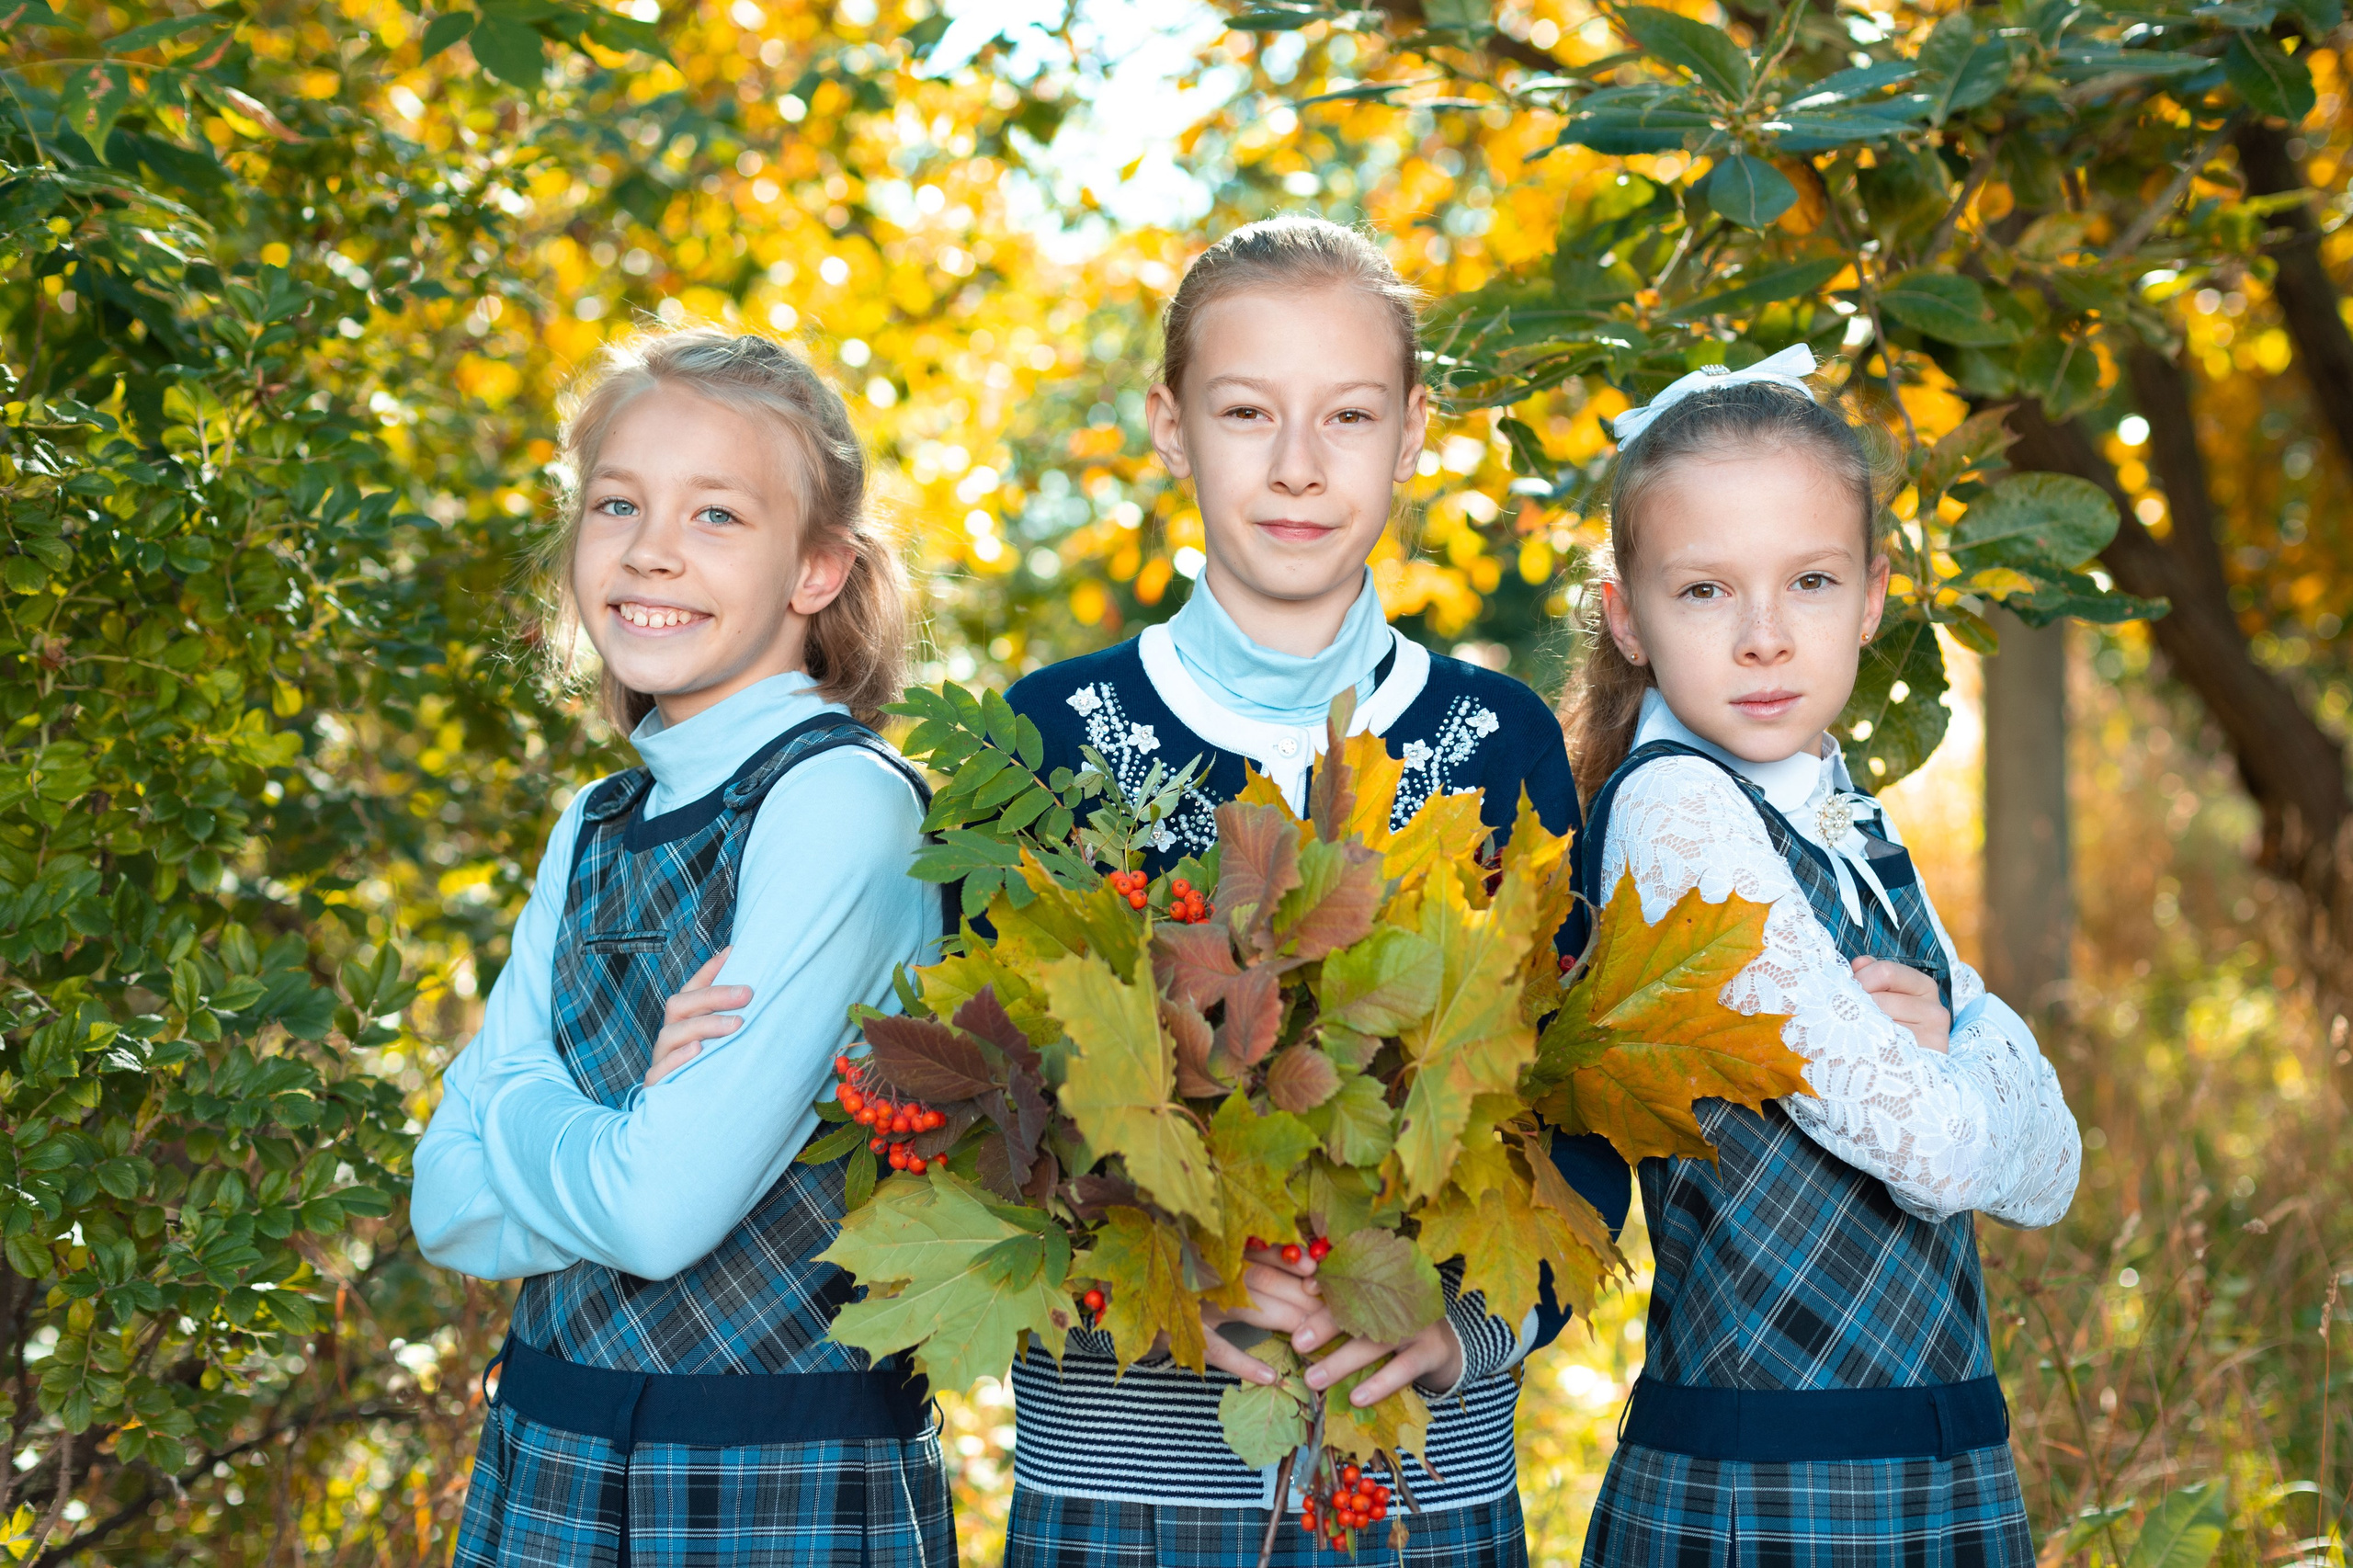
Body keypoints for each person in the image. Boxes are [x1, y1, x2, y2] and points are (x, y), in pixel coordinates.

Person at [998, 214, 1631, 1568]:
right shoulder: (1051, 738)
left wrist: (1456, 1328)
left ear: (1412, 434)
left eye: (1346, 415)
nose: (1296, 465)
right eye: (1246, 412)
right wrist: (1176, 1282)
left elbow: (1581, 1107)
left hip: (1413, 1487)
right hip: (1125, 1486)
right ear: (1171, 426)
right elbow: (980, 1114)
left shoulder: (1501, 741)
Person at [411, 326, 953, 1567]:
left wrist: (526, 1101)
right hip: (546, 1457)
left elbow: (660, 1213)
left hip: (769, 1479)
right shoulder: (593, 822)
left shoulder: (839, 803)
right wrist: (624, 1116)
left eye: (716, 514)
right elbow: (443, 1201)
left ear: (816, 569)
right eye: (618, 503)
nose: (652, 547)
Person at [1562, 347, 2082, 1567]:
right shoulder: (1679, 815)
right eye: (1704, 591)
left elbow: (2052, 1166)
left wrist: (1950, 1047)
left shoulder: (1842, 813)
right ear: (1629, 613)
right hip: (1771, 1486)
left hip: (1937, 1459)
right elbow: (1946, 1150)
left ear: (1870, 596)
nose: (1761, 638)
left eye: (1806, 581)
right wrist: (1972, 1058)